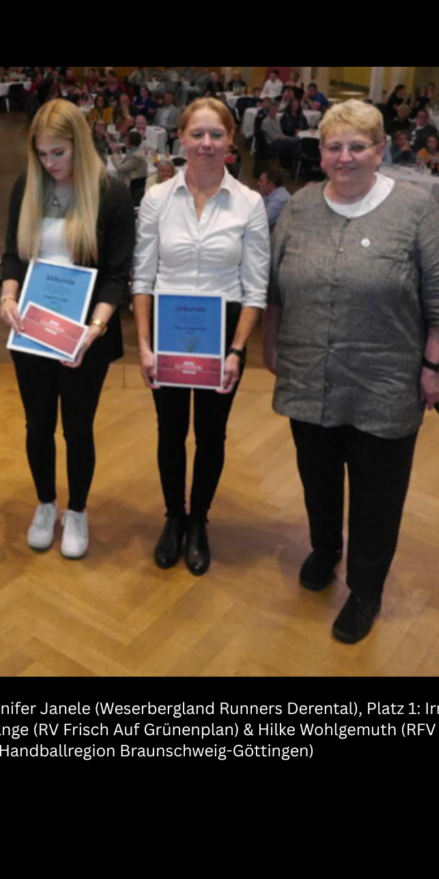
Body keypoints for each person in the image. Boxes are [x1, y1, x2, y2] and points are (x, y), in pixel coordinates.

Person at [263, 100, 439, 643]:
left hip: (385, 380)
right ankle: (325, 547)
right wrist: (270, 342)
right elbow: (274, 286)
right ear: (321, 153)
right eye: (334, 147)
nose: (345, 157)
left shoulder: (415, 209)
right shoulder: (301, 207)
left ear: (380, 151)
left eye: (358, 146)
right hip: (309, 371)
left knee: (378, 490)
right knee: (317, 475)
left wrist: (437, 365)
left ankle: (366, 587)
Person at [133, 99, 269, 576]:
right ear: (181, 138)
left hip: (223, 333)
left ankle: (199, 521)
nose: (206, 144)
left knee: (211, 433)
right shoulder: (156, 198)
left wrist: (237, 350)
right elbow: (142, 278)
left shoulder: (249, 203)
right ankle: (174, 516)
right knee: (170, 430)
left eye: (216, 135)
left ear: (231, 140)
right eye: (197, 134)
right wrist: (144, 345)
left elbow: (255, 287)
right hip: (168, 329)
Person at [0, 99, 134, 559]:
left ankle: (76, 510)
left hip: (85, 334)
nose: (50, 163)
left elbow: (116, 274)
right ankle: (45, 504)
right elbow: (13, 256)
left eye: (58, 153)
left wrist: (95, 327)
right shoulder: (27, 186)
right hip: (32, 329)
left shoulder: (111, 194)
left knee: (77, 428)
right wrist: (8, 297)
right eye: (42, 154)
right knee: (37, 425)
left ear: (79, 144)